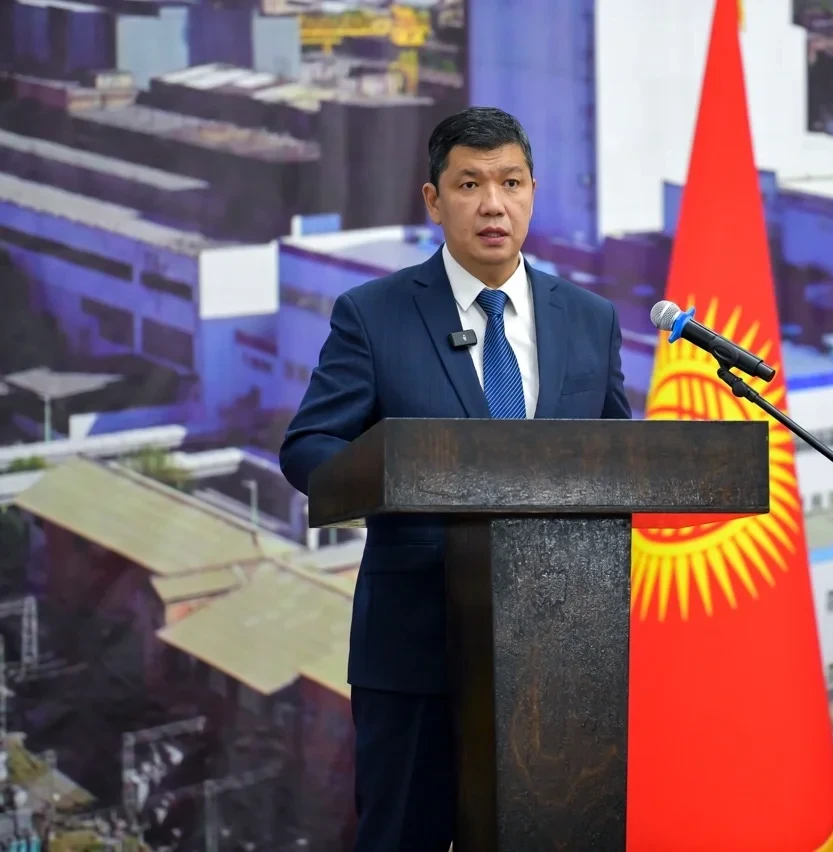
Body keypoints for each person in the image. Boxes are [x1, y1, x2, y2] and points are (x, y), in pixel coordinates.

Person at [278, 106, 631, 851]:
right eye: (470, 184)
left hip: (562, 654)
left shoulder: (591, 319)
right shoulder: (373, 314)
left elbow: (616, 462)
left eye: (511, 182)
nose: (493, 204)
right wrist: (394, 475)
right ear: (434, 201)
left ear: (533, 193)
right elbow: (309, 445)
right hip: (415, 645)